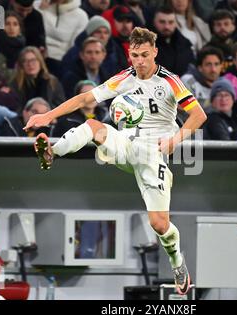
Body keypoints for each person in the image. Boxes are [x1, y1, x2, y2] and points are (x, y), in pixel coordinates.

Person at [23, 27, 207, 295]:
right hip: (126, 144)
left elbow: (198, 115)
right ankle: (52, 153)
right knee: (93, 126)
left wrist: (174, 141)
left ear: (155, 52)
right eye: (135, 55)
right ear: (129, 54)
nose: (140, 61)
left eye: (145, 55)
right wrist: (48, 116)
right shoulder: (125, 77)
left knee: (159, 224)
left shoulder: (170, 81)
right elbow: (86, 98)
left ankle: (177, 261)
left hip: (153, 153)